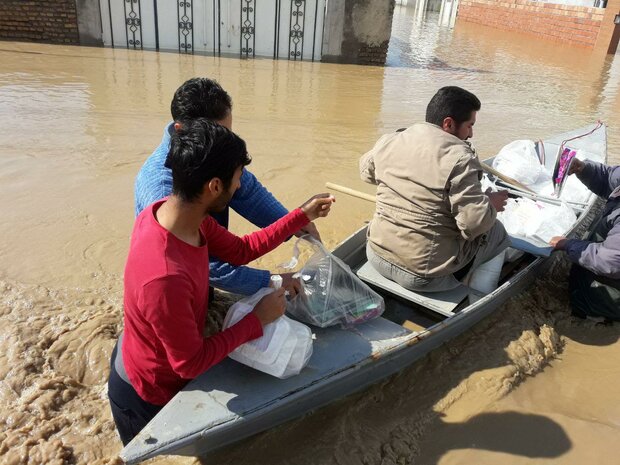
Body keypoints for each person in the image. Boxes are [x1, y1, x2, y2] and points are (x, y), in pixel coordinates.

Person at [109, 119, 334, 445]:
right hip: (146, 391)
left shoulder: (176, 215)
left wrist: (301, 216)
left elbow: (241, 250)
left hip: (152, 351)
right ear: (214, 186)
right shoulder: (166, 278)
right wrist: (258, 320)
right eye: (238, 178)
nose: (240, 187)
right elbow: (188, 364)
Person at [135, 77, 320, 296]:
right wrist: (272, 283)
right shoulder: (165, 192)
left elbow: (242, 243)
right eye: (219, 134)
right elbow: (206, 264)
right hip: (179, 291)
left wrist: (296, 221)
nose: (239, 183)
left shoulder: (215, 156)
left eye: (228, 134)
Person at [360, 86, 509, 293]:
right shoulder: (462, 158)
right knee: (497, 232)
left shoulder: (391, 139)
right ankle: (477, 295)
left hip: (375, 254)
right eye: (469, 126)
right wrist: (489, 204)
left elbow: (366, 173)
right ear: (448, 123)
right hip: (422, 277)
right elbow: (473, 225)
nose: (471, 134)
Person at [550, 159, 620, 321]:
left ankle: (594, 318)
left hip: (609, 295)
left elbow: (611, 262)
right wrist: (583, 169)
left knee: (589, 317)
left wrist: (568, 244)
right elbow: (608, 176)